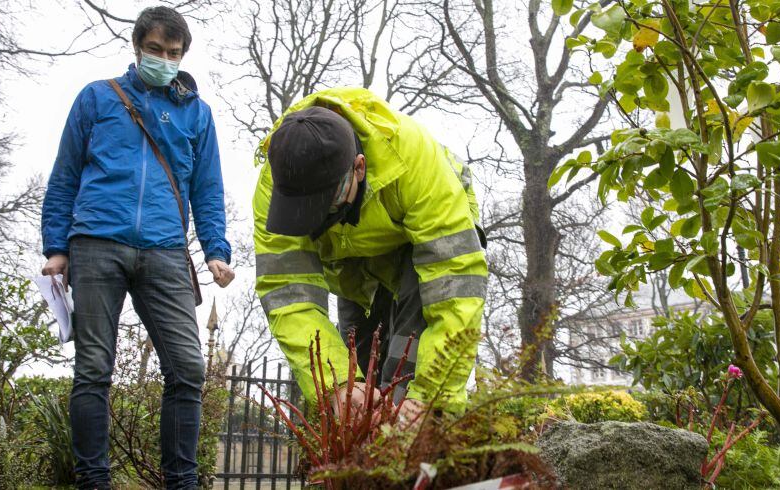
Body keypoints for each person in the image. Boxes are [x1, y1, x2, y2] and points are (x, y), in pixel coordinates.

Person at [40, 6, 233, 489]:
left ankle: (182, 482)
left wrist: (216, 248)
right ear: (137, 47)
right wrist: (56, 246)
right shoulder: (98, 98)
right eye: (155, 50)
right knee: (93, 367)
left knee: (188, 366)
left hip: (165, 249)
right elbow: (64, 176)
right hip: (96, 243)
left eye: (173, 53)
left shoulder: (197, 113)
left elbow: (207, 188)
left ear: (183, 54)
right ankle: (94, 481)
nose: (164, 59)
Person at [252, 88, 487, 424]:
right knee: (359, 390)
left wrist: (431, 396)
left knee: (408, 381)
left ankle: (421, 453)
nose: (312, 218)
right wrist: (338, 385)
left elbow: (454, 283)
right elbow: (288, 295)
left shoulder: (413, 161)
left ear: (358, 168)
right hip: (353, 273)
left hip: (421, 253)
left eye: (321, 204)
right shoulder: (274, 184)